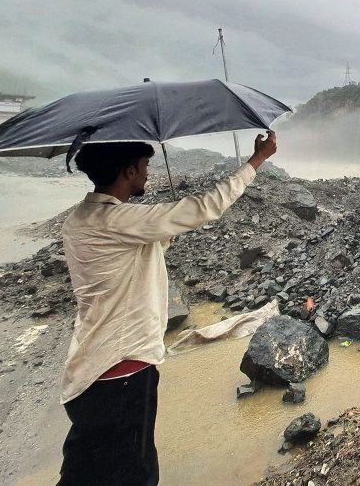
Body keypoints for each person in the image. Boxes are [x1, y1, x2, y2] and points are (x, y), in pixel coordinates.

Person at [56, 131, 278, 486]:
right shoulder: (120, 221)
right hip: (122, 372)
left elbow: (137, 250)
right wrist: (257, 161)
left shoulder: (82, 220)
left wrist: (167, 228)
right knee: (134, 473)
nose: (147, 174)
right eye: (144, 167)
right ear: (128, 171)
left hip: (88, 370)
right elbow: (206, 206)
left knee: (84, 473)